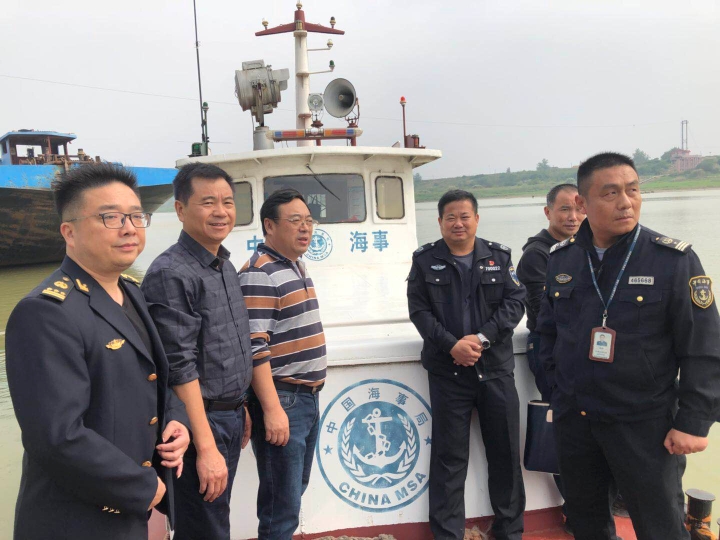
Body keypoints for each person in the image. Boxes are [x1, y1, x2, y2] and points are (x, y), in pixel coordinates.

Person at [537, 152, 720, 540]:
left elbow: (703, 346)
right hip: (577, 421)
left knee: (660, 526)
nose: (626, 202)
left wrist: (693, 422)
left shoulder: (672, 260)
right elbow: (548, 334)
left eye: (633, 190)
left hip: (644, 424)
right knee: (586, 522)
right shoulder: (563, 259)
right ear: (583, 204)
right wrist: (558, 392)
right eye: (611, 193)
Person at [5, 163, 190, 540]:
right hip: (77, 521)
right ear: (69, 232)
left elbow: (153, 377)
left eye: (136, 216)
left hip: (132, 511)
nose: (129, 228)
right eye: (110, 217)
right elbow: (57, 437)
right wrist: (143, 487)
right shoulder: (45, 312)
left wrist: (176, 418)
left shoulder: (131, 293)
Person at [142, 162, 254, 540]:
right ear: (180, 209)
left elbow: (229, 346)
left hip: (229, 415)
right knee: (204, 528)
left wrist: (241, 404)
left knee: (215, 519)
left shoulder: (223, 265)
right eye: (208, 202)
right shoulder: (171, 272)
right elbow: (179, 366)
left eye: (227, 202)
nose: (220, 211)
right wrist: (205, 447)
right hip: (197, 424)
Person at [407, 189, 527, 540]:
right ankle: (448, 534)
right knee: (449, 459)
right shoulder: (424, 260)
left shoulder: (499, 257)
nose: (458, 223)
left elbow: (515, 303)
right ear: (440, 221)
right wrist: (452, 346)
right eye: (450, 217)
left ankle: (509, 532)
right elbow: (419, 311)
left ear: (476, 219)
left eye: (464, 216)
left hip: (495, 371)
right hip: (449, 373)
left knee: (505, 455)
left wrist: (481, 339)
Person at [238, 188, 326, 540]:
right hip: (283, 399)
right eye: (295, 221)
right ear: (269, 226)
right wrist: (273, 409)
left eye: (309, 220)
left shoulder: (294, 265)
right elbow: (254, 346)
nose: (305, 228)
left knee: (292, 493)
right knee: (281, 506)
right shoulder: (260, 273)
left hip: (306, 398)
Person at [517, 183, 582, 400]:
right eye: (565, 209)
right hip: (549, 345)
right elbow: (542, 310)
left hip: (579, 342)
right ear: (548, 212)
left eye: (579, 209)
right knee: (559, 407)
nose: (573, 217)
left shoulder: (585, 248)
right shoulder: (537, 254)